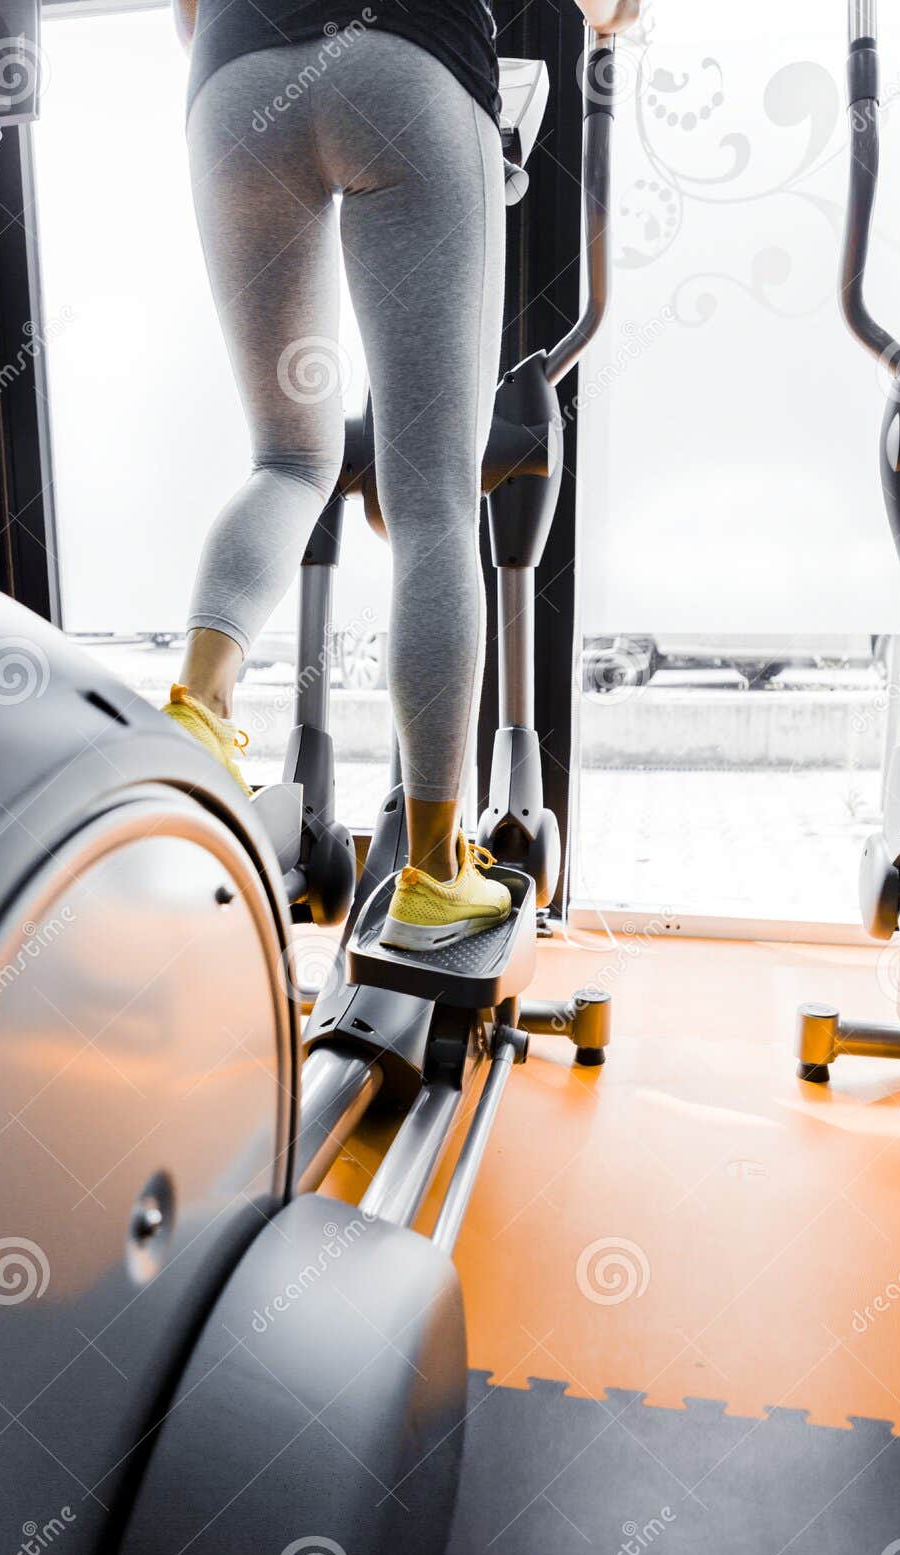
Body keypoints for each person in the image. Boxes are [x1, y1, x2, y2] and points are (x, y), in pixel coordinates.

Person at [166, 0, 641, 949]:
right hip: (409, 68)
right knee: (432, 505)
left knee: (288, 460)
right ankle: (433, 872)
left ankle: (197, 711)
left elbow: (187, 18)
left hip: (232, 84)